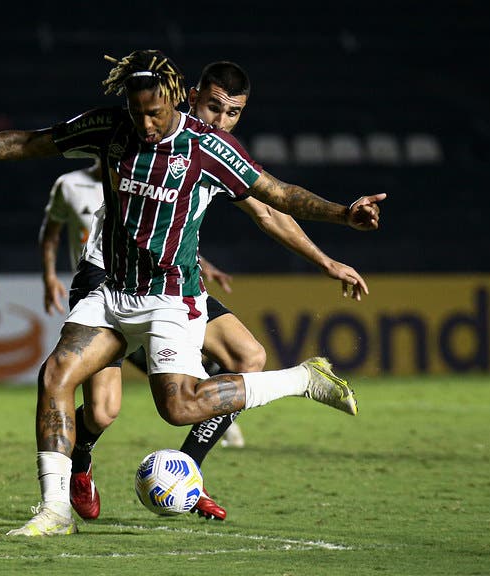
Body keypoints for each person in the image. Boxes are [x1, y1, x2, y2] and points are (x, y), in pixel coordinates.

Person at [0, 49, 386, 537]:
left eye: (155, 114)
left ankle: (301, 380)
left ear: (175, 100)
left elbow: (277, 197)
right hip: (110, 287)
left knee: (179, 407)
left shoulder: (208, 148)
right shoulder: (111, 127)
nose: (145, 124)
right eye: (137, 112)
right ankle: (54, 512)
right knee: (57, 375)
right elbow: (32, 142)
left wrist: (342, 215)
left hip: (169, 297)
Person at [41, 61, 371, 522]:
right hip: (108, 276)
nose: (220, 119)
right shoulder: (154, 126)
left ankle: (186, 474)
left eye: (232, 113)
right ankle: (81, 457)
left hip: (172, 287)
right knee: (102, 410)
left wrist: (327, 261)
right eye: (213, 106)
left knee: (247, 357)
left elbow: (269, 210)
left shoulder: (213, 150)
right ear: (191, 95)